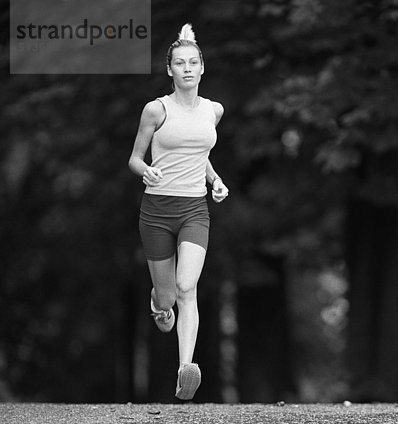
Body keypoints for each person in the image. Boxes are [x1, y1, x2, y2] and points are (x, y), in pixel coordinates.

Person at [128, 23, 229, 401]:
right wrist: (147, 169)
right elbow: (135, 159)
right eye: (179, 63)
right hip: (156, 210)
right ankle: (158, 303)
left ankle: (186, 368)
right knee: (169, 297)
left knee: (189, 287)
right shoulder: (156, 110)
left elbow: (199, 155)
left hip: (193, 210)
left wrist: (215, 179)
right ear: (169, 70)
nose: (187, 68)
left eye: (193, 62)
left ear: (202, 67)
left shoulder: (213, 110)